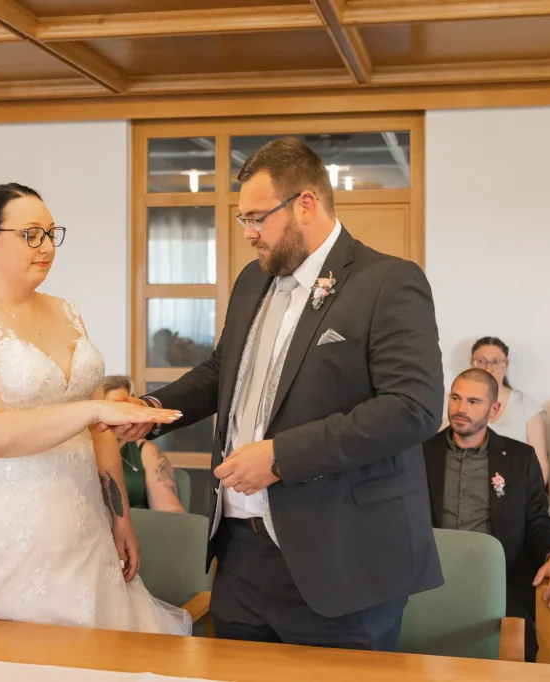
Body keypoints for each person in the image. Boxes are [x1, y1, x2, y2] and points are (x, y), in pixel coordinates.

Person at [117, 138, 444, 650]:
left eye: (257, 218)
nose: (248, 234)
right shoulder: (254, 280)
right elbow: (224, 370)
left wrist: (280, 457)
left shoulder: (388, 282)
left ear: (306, 205)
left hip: (342, 557)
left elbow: (413, 409)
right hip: (241, 557)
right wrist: (154, 410)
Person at [0, 184, 189, 636]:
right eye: (30, 235)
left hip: (79, 517)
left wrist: (119, 517)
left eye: (50, 233)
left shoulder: (68, 313)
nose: (45, 247)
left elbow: (99, 425)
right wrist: (90, 410)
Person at [422, 369, 550, 661]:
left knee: (522, 642)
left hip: (496, 581)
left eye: (473, 402)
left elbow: (538, 521)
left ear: (495, 409)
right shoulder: (420, 453)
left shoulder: (519, 459)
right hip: (431, 578)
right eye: (455, 398)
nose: (460, 409)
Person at [93, 376, 184, 513]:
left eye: (122, 408)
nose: (115, 417)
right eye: (109, 408)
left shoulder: (146, 451)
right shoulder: (83, 451)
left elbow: (170, 511)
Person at [468, 337, 549, 482]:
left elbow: (540, 469)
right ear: (471, 363)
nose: (488, 368)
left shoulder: (526, 406)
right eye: (481, 361)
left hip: (515, 489)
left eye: (496, 361)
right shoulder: (455, 403)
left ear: (507, 364)